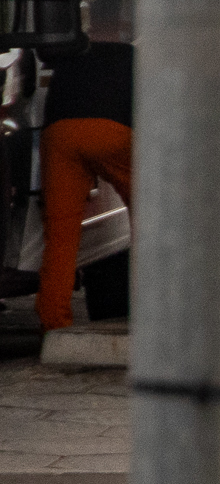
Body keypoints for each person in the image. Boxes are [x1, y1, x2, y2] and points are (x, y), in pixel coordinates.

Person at [35, 33, 135, 332]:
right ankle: (152, 312)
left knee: (61, 235)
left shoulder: (70, 48)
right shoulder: (134, 56)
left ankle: (54, 323)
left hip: (60, 132)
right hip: (114, 132)